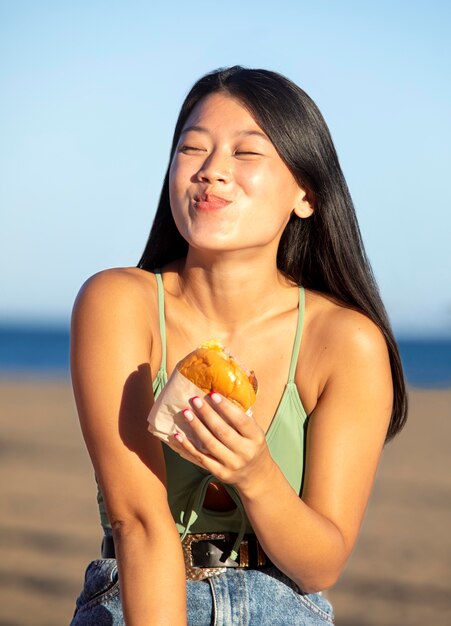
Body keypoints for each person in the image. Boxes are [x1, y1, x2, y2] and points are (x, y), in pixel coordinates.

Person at [69, 66, 407, 626]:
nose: (211, 172)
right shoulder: (117, 303)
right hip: (136, 601)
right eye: (192, 149)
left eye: (246, 154)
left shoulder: (345, 340)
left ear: (306, 193)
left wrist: (257, 475)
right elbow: (140, 522)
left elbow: (320, 565)